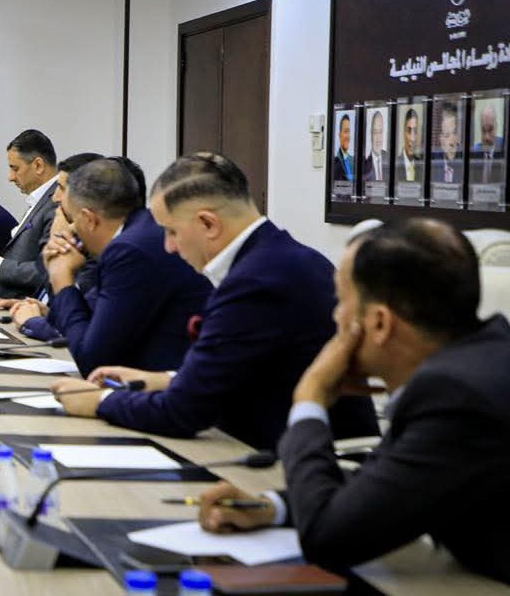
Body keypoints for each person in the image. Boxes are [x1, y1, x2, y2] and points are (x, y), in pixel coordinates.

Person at [195, 219, 510, 585]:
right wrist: (274, 506)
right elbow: (393, 484)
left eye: (342, 301)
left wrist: (309, 399)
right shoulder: (485, 358)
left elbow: (328, 538)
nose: (336, 316)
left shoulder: (455, 398)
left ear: (379, 323)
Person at [49, 152, 378, 450]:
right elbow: (242, 365)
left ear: (208, 223)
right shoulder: (285, 256)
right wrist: (165, 380)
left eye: (171, 232)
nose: (168, 247)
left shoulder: (254, 282)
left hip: (301, 463)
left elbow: (182, 412)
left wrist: (100, 401)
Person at [40, 158, 212, 375]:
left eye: (72, 219)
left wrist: (63, 282)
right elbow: (90, 323)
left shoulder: (129, 250)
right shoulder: (140, 232)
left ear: (89, 219)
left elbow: (91, 359)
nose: (71, 229)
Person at [0, 152, 105, 341]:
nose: (55, 198)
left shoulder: (107, 253)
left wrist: (32, 322)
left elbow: (85, 336)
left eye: (61, 188)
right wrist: (48, 312)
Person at [0, 129, 61, 298]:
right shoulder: (40, 200)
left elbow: (48, 270)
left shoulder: (56, 203)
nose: (11, 177)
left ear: (38, 165)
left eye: (15, 169)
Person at [471, 103, 504, 184]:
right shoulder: (474, 152)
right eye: (483, 130)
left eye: (490, 130)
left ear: (496, 127)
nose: (487, 137)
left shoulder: (504, 148)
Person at [433, 102, 462, 184]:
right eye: (447, 135)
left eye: (455, 133)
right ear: (440, 139)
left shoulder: (466, 162)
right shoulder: (433, 163)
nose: (452, 142)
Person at [397, 107, 423, 183]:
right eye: (409, 131)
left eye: (415, 131)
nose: (412, 138)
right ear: (404, 133)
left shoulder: (422, 165)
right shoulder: (395, 164)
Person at [362, 110, 386, 183]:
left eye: (380, 132)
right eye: (375, 132)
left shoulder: (389, 158)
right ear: (371, 134)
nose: (378, 137)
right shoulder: (364, 164)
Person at [331, 114, 354, 182]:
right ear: (340, 135)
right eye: (346, 131)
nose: (348, 136)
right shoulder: (335, 162)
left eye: (349, 132)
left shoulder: (353, 160)